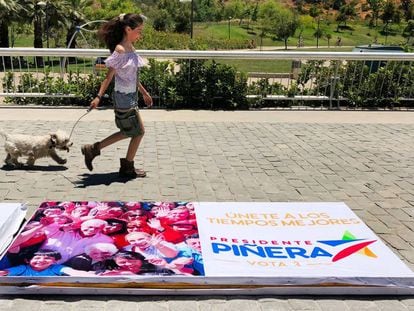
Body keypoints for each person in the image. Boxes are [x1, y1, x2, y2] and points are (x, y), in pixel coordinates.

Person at [81, 13, 153, 178]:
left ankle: (93, 149)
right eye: (138, 30)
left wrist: (144, 93)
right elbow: (109, 76)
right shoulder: (120, 50)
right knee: (138, 132)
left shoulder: (131, 48)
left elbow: (132, 76)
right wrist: (98, 97)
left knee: (128, 131)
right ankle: (126, 167)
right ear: (128, 29)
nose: (140, 34)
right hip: (123, 98)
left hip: (131, 96)